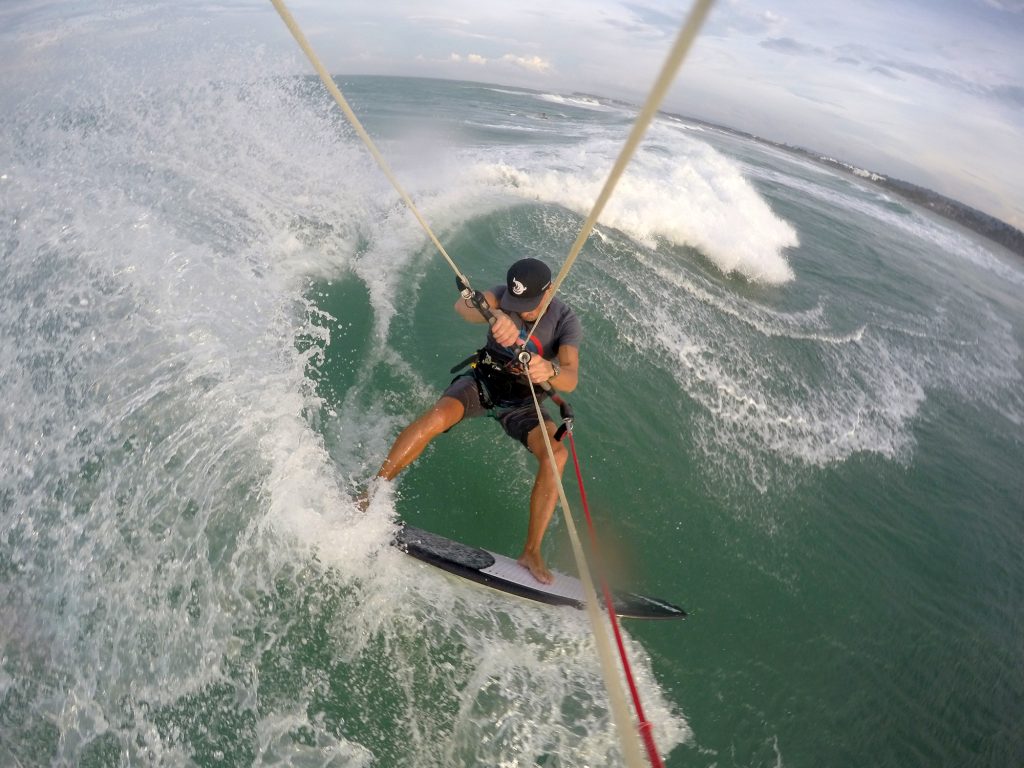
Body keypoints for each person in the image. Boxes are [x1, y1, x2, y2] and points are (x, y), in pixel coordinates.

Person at [376, 258, 581, 584]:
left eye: (529, 304)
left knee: (557, 455)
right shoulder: (503, 296)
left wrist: (550, 370)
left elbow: (571, 376)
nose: (523, 310)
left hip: (524, 401)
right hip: (483, 382)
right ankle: (371, 494)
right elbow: (465, 306)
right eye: (518, 303)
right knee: (437, 417)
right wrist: (496, 314)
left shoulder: (564, 320)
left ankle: (531, 551)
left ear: (550, 290)